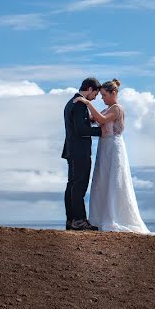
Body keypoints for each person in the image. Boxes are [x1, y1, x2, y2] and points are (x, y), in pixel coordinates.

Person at [73, 79, 150, 234]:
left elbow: (101, 120)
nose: (102, 98)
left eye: (104, 95)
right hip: (104, 148)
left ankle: (115, 217)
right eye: (100, 95)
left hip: (114, 148)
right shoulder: (107, 109)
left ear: (113, 93)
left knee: (114, 180)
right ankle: (100, 217)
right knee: (102, 180)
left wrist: (87, 103)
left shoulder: (117, 109)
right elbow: (94, 120)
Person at [61, 77, 102, 231]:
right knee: (79, 184)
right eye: (96, 94)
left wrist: (88, 121)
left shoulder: (71, 102)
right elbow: (81, 130)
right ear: (90, 89)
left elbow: (77, 125)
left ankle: (71, 220)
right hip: (79, 151)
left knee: (72, 184)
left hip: (71, 149)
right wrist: (101, 131)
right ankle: (79, 220)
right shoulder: (79, 104)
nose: (95, 97)